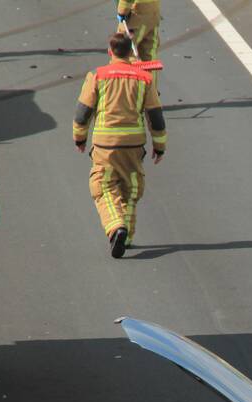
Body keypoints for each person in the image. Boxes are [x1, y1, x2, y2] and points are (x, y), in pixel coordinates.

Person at [73, 32, 167, 258]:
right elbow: (155, 115)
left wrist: (80, 137)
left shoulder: (98, 75)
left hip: (106, 144)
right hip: (134, 144)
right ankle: (128, 235)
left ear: (110, 51)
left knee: (103, 186)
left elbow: (83, 112)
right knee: (130, 187)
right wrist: (159, 145)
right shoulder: (144, 78)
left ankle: (116, 227)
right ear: (130, 52)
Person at [117, 0, 161, 64]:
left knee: (124, 49)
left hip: (136, 12)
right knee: (150, 52)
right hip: (154, 10)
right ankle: (150, 73)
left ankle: (131, 72)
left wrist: (122, 11)